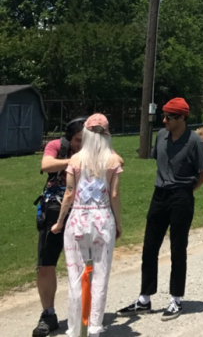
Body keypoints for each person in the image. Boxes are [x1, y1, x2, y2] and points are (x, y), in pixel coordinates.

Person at [119, 97, 203, 321]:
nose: (164, 119)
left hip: (181, 196)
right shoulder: (161, 135)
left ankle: (176, 299)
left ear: (182, 118)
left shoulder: (195, 142)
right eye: (164, 115)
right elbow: (157, 159)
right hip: (159, 195)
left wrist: (187, 191)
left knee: (178, 249)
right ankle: (144, 299)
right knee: (149, 247)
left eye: (169, 116)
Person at [51, 113, 123, 337]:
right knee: (101, 275)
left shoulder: (75, 160)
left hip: (78, 221)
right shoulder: (114, 161)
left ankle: (75, 329)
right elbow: (114, 194)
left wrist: (59, 221)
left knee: (76, 275)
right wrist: (118, 223)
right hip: (103, 220)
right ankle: (93, 327)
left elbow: (69, 194)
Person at [33, 117, 85, 337]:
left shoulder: (95, 149)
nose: (81, 145)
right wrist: (73, 162)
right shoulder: (57, 145)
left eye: (86, 141)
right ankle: (48, 315)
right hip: (54, 208)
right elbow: (46, 165)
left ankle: (84, 313)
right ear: (69, 137)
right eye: (77, 141)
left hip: (84, 209)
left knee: (85, 264)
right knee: (46, 264)